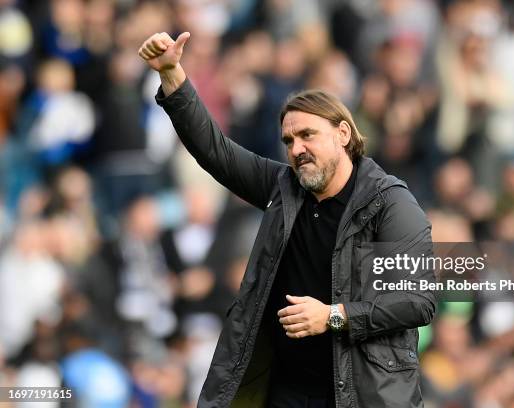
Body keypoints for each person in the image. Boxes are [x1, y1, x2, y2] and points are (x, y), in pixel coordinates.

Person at [138, 31, 436, 408]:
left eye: (308, 135)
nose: (297, 149)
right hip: (285, 391)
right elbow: (216, 152)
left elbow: (416, 301)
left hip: (361, 395)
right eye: (289, 140)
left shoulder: (391, 204)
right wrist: (171, 74)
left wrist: (333, 317)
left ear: (343, 133)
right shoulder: (285, 187)